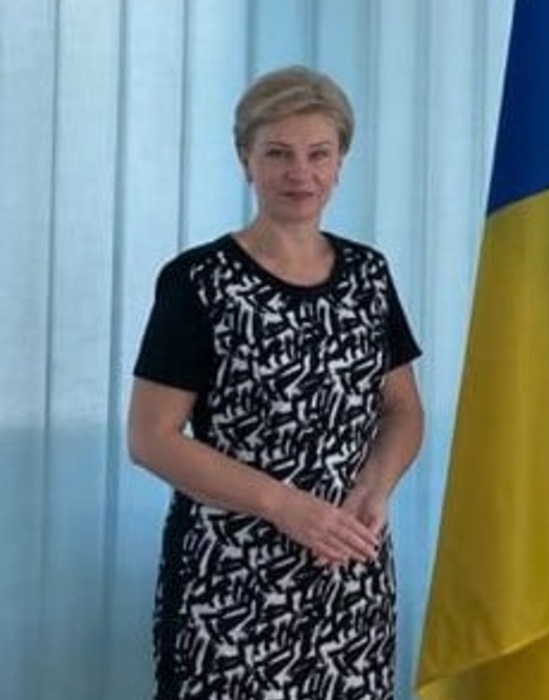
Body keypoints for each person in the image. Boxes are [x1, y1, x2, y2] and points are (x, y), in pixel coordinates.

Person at [127, 66, 424, 700]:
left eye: (319, 154)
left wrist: (375, 488)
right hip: (228, 583)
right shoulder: (198, 282)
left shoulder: (369, 276)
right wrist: (285, 506)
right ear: (246, 160)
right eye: (278, 154)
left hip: (347, 575)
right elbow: (151, 438)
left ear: (340, 163)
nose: (301, 173)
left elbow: (402, 410)